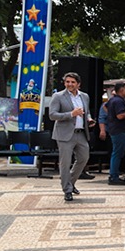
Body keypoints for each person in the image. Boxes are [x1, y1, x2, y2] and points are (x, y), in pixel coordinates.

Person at [48, 72, 96, 202]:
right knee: (65, 163)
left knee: (83, 158)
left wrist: (89, 119)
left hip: (81, 133)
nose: (70, 84)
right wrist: (71, 114)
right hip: (64, 134)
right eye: (67, 82)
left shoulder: (84, 96)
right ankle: (67, 190)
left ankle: (70, 182)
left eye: (72, 82)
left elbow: (86, 112)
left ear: (78, 84)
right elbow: (52, 115)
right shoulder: (58, 96)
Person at [103, 81, 125, 185]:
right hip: (119, 130)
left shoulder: (113, 100)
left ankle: (114, 174)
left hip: (116, 129)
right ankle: (114, 176)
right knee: (117, 153)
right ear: (121, 90)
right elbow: (120, 116)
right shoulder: (118, 101)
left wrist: (110, 115)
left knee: (117, 153)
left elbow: (105, 106)